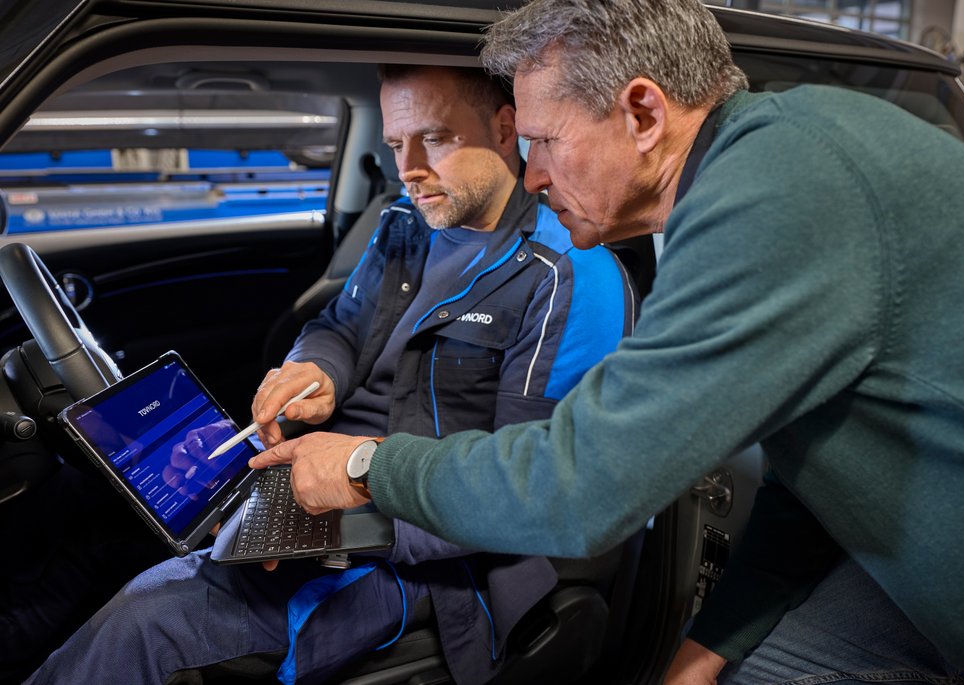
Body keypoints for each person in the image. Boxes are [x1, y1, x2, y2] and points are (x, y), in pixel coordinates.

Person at [244, 2, 964, 684]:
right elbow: (817, 471)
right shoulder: (743, 174)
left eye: (545, 141)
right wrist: (706, 650)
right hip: (911, 570)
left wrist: (363, 465)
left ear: (644, 114)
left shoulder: (777, 192)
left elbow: (580, 484)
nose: (533, 175)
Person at [26, 64, 635, 685]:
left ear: (507, 127)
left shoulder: (569, 277)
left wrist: (355, 490)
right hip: (322, 475)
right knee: (93, 515)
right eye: (396, 145)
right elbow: (339, 325)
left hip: (428, 551)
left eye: (436, 139)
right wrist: (314, 372)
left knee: (149, 614)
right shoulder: (407, 223)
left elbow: (530, 490)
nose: (409, 169)